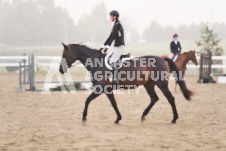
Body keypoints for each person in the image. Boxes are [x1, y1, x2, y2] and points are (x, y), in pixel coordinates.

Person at [99, 10, 125, 84]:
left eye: (110, 16)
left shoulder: (117, 25)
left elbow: (113, 37)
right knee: (109, 59)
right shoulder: (115, 24)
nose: (110, 18)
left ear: (115, 17)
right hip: (117, 47)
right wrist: (103, 47)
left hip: (120, 47)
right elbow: (110, 37)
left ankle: (116, 78)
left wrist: (107, 47)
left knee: (112, 61)